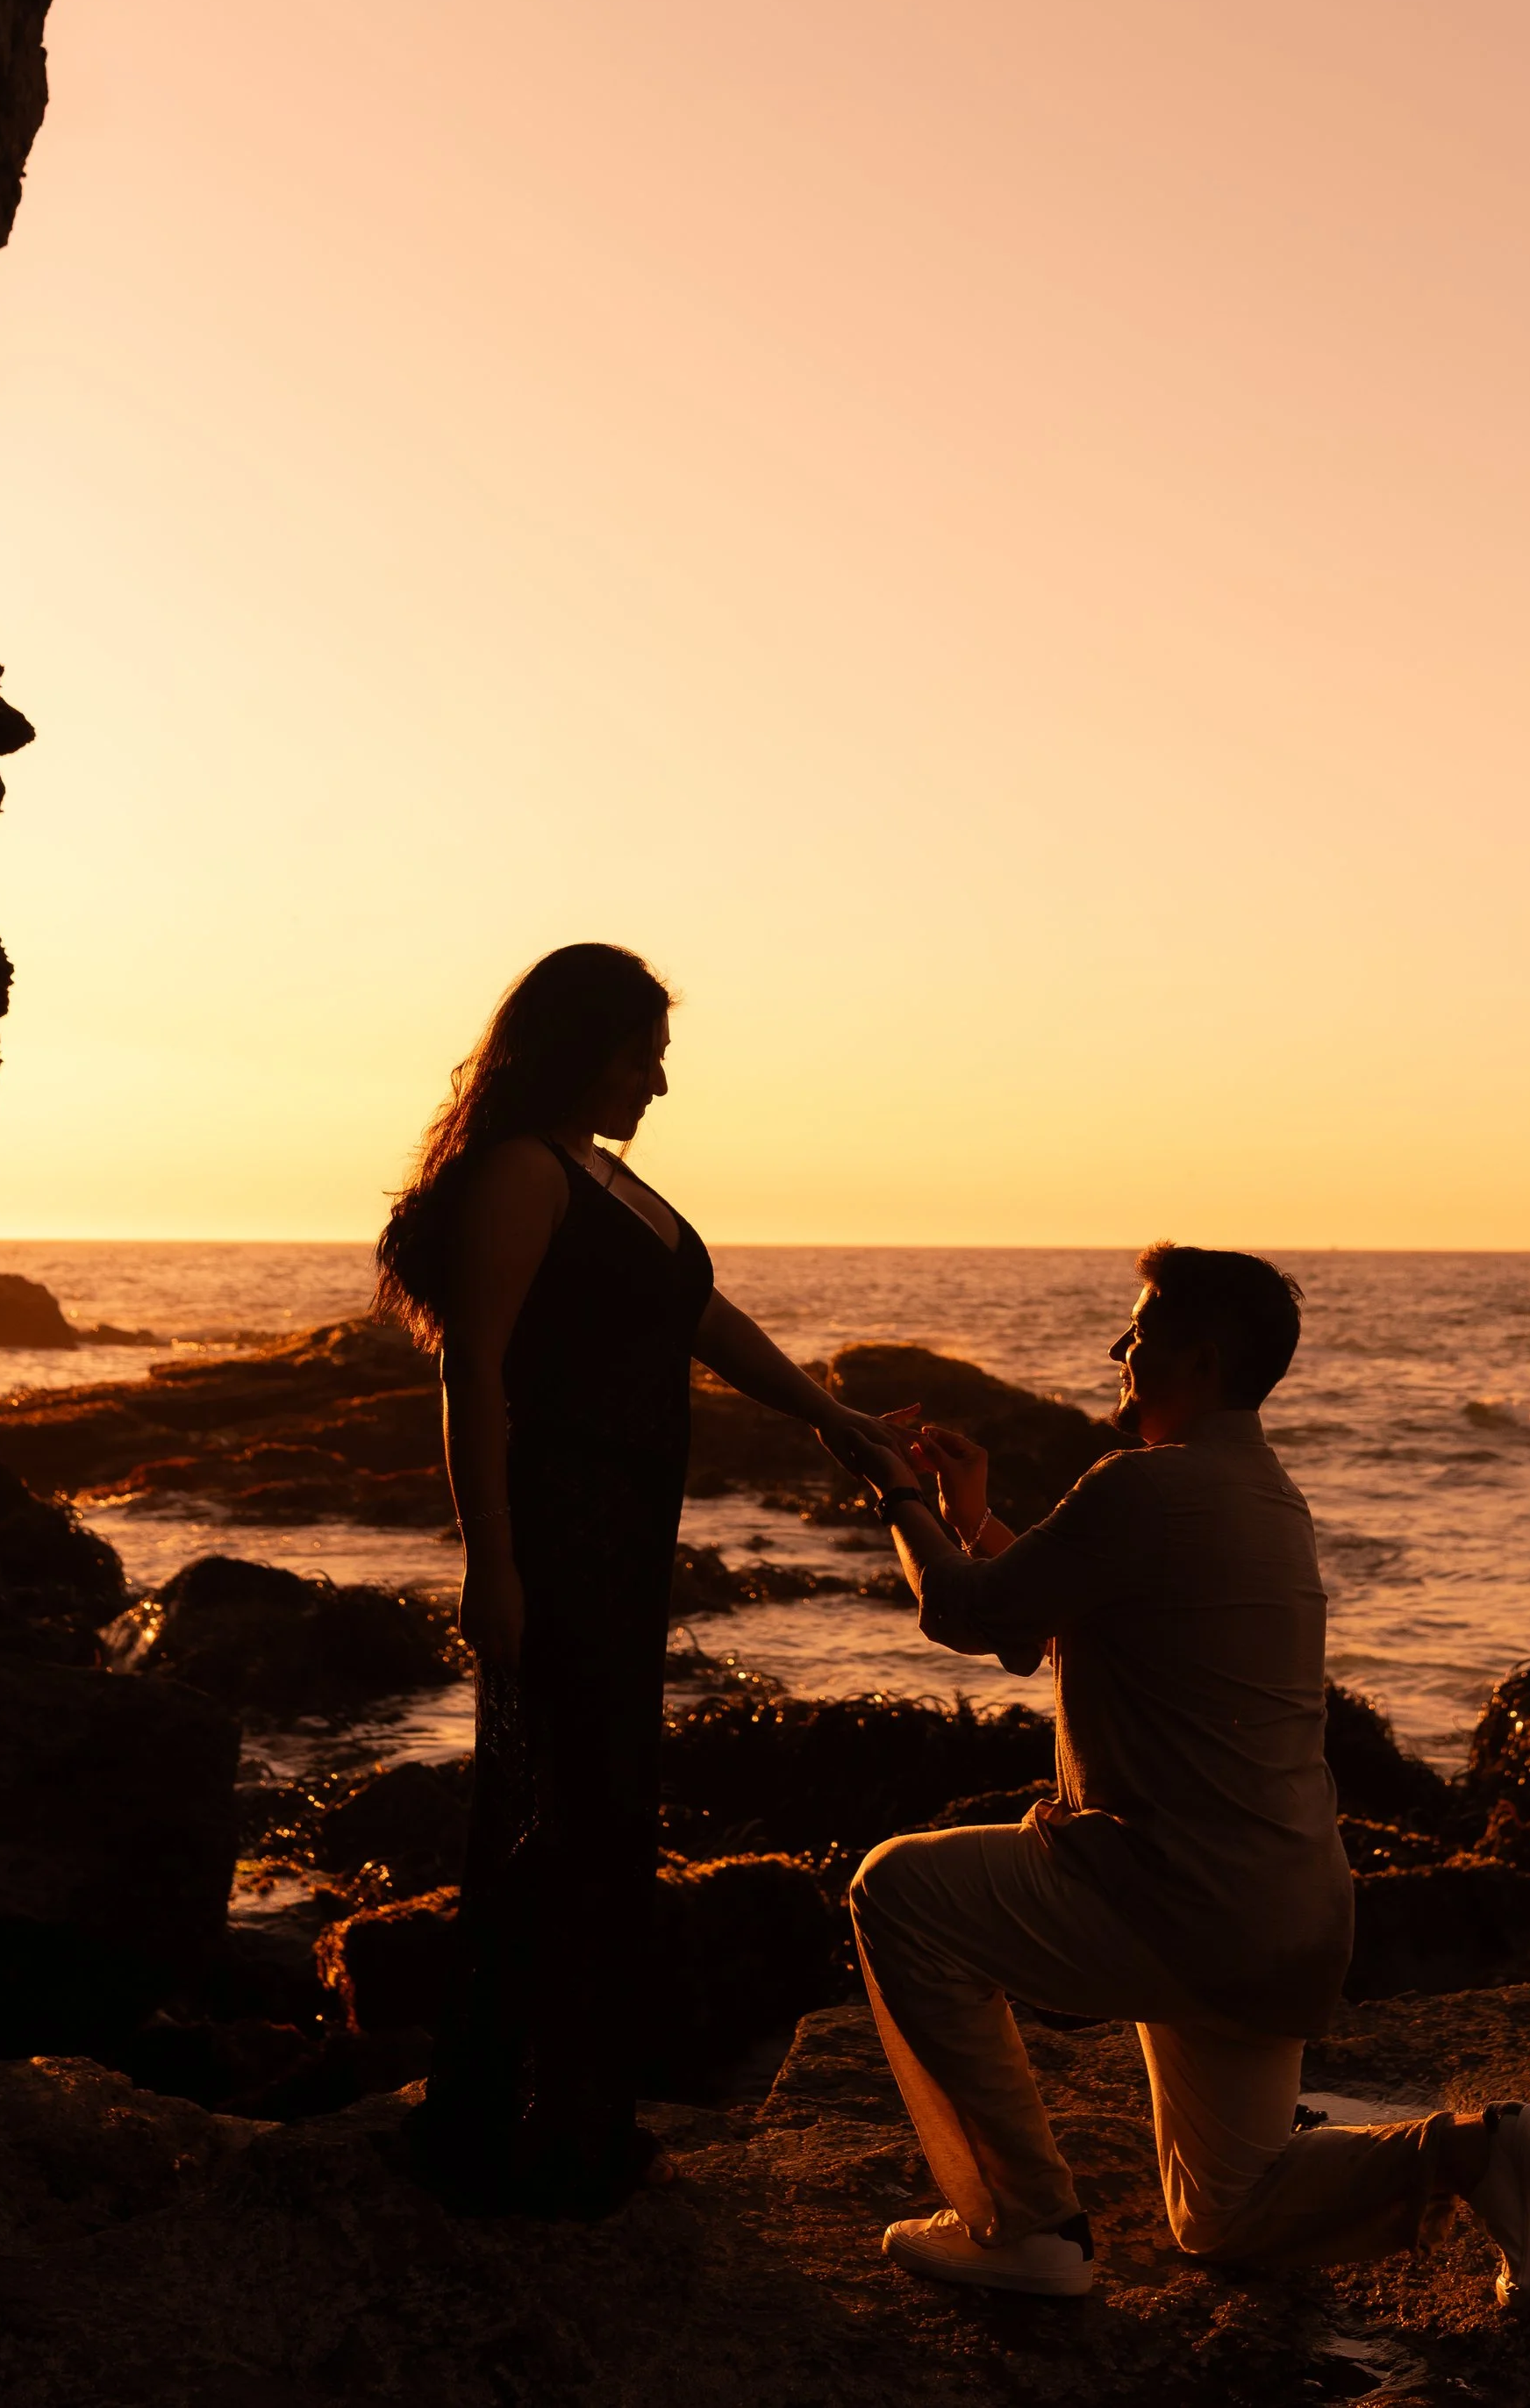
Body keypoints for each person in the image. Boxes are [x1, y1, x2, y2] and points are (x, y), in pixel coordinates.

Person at [845, 1243, 1530, 2303]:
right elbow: (1047, 1625)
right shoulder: (1268, 1498)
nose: (1116, 1352)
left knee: (896, 1891)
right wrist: (966, 1515)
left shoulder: (1146, 1486)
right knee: (1226, 2210)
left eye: (1136, 1338)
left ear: (1195, 1359)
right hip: (1283, 1916)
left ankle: (1024, 2227)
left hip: (1174, 1901)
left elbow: (966, 1612)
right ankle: (1474, 2151)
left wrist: (897, 1492)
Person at [371, 942, 900, 2219]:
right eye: (640, 1054)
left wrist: (836, 1418)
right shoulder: (519, 1174)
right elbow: (474, 1372)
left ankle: (556, 2116)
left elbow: (702, 1320)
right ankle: (517, 2128)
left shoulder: (608, 1180)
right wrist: (488, 1557)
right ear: (581, 1048)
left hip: (622, 1535)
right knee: (562, 1827)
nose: (658, 1081)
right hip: (555, 1531)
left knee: (597, 1823)